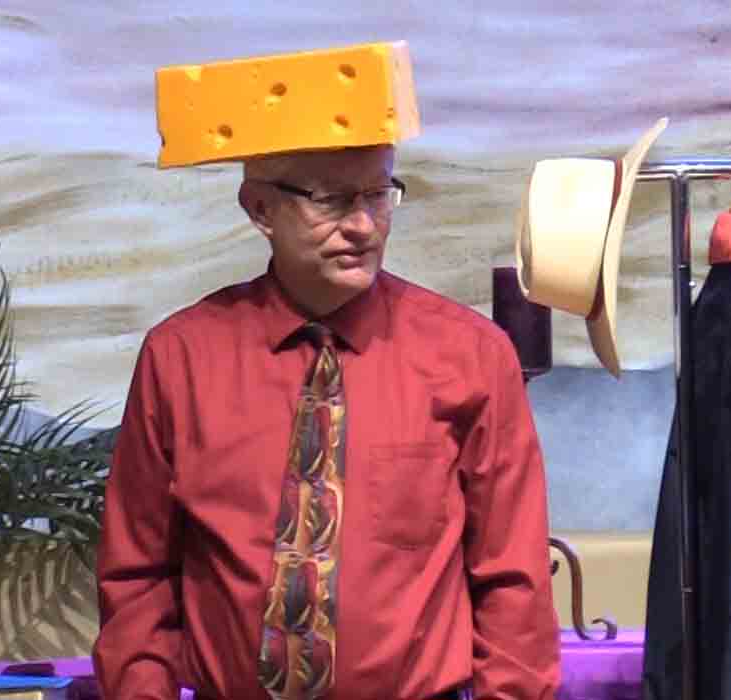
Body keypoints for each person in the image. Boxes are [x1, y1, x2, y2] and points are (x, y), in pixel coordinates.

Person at [92, 142, 562, 700]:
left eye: (378, 195)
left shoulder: (469, 355)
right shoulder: (181, 358)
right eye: (332, 200)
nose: (362, 225)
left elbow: (513, 579)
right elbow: (137, 577)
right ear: (260, 208)